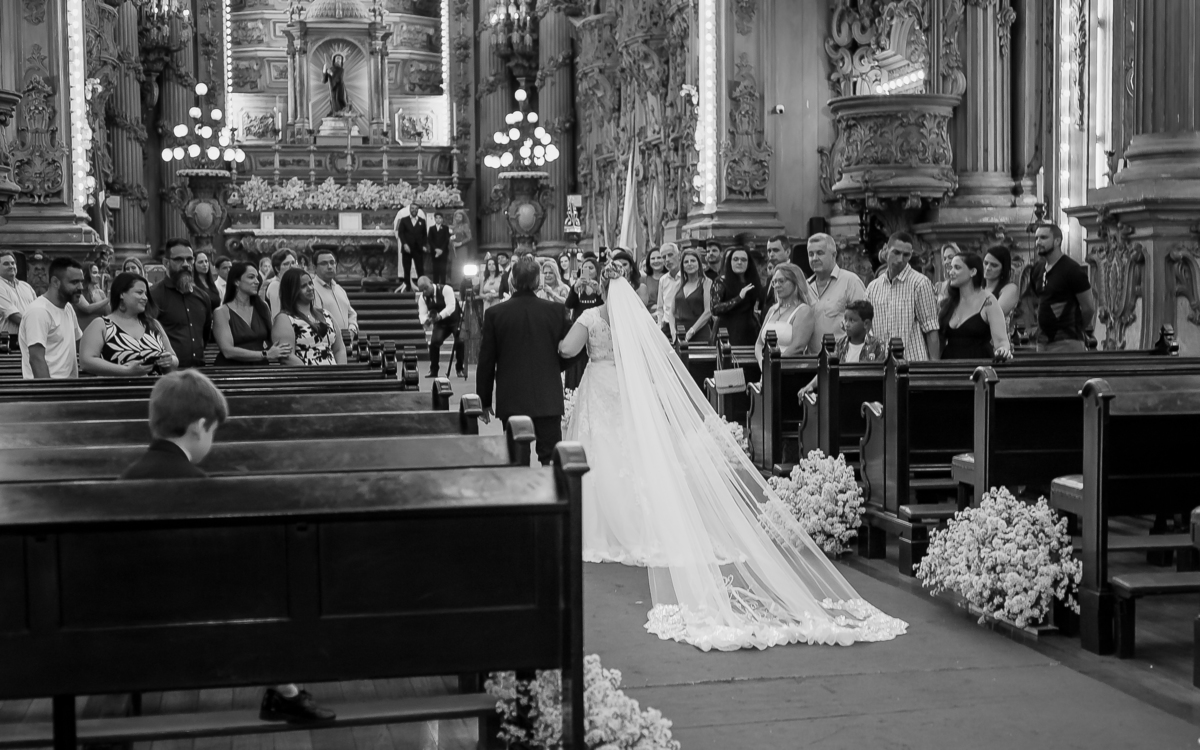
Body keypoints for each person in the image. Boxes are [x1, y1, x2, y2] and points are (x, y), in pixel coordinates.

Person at [557, 261, 906, 650]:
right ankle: (644, 524)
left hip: (600, 387)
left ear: (598, 289)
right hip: (627, 391)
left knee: (601, 456)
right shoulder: (637, 319)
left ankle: (601, 526)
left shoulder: (590, 315)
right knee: (633, 457)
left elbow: (567, 349)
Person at [119, 369, 337, 724]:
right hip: (188, 619)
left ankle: (287, 692)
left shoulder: (124, 480)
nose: (212, 441)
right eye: (214, 432)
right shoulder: (199, 487)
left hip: (126, 614)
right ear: (199, 427)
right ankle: (288, 693)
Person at [476, 256, 573, 465]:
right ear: (538, 281)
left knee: (517, 459)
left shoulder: (495, 313)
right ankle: (551, 496)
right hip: (548, 396)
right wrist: (554, 366)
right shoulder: (556, 311)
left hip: (512, 397)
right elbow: (573, 350)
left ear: (512, 281)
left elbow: (486, 361)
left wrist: (483, 401)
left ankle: (521, 496)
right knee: (550, 458)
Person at [80, 272, 178, 376]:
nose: (145, 298)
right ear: (122, 294)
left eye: (145, 293)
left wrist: (170, 360)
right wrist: (125, 370)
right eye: (139, 293)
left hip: (155, 389)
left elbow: (174, 358)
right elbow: (86, 361)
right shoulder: (101, 325)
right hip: (118, 390)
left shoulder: (153, 324)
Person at [866, 231, 940, 361]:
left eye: (906, 255)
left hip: (913, 362)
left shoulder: (920, 283)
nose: (900, 259)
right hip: (881, 363)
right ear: (886, 250)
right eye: (896, 253)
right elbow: (868, 329)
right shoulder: (873, 287)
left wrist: (933, 369)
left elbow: (931, 329)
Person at [797, 300, 888, 398]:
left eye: (852, 320)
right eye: (845, 319)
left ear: (866, 324)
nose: (847, 324)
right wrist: (810, 386)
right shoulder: (840, 344)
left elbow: (881, 377)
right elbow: (826, 370)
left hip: (866, 395)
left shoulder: (878, 346)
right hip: (840, 394)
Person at [1030, 224, 1095, 351]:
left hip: (1067, 341)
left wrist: (1076, 328)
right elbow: (1039, 302)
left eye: (1043, 238)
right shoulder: (1037, 269)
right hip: (1042, 342)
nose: (1038, 242)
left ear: (1057, 241)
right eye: (1036, 238)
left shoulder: (1072, 270)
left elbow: (1088, 308)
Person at [938, 252, 1013, 361]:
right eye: (951, 267)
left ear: (973, 271)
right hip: (950, 365)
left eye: (957, 268)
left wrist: (1003, 350)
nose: (951, 272)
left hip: (978, 363)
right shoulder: (948, 303)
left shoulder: (988, 301)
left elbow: (1001, 341)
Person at [150, 239, 212, 369]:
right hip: (167, 373)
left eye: (189, 259)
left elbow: (204, 336)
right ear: (166, 263)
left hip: (199, 370)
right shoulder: (153, 295)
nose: (185, 264)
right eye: (179, 260)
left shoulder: (202, 297)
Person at [213, 261, 289, 366]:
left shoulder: (262, 307)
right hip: (231, 370)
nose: (257, 281)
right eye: (251, 277)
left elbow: (273, 339)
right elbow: (227, 351)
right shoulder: (221, 312)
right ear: (236, 282)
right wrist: (264, 354)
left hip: (260, 368)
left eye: (257, 277)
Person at [18, 257, 84, 379]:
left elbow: (79, 343)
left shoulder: (68, 307)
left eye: (81, 282)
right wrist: (49, 393)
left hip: (68, 389)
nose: (81, 287)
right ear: (55, 282)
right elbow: (36, 359)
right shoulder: (38, 312)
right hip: (50, 391)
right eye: (74, 282)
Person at [806, 233, 867, 354]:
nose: (814, 258)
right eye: (811, 254)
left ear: (834, 255)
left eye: (820, 253)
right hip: (812, 363)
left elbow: (864, 325)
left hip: (843, 362)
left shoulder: (850, 282)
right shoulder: (805, 287)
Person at [272, 268, 347, 366]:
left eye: (310, 283)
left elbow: (339, 349)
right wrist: (312, 375)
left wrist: (341, 373)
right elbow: (287, 356)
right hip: (305, 376)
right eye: (303, 286)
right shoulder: (284, 319)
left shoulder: (326, 314)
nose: (310, 288)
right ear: (291, 291)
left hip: (332, 374)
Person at [754, 263, 815, 367]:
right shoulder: (772, 310)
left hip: (789, 369)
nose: (777, 285)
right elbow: (759, 343)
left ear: (795, 282)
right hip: (766, 367)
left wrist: (774, 364)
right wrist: (761, 361)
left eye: (781, 281)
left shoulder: (803, 310)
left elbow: (798, 346)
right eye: (774, 282)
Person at [710, 246, 762, 346]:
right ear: (729, 262)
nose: (739, 262)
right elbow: (715, 309)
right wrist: (739, 298)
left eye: (743, 260)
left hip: (749, 329)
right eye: (735, 259)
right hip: (727, 330)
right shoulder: (720, 281)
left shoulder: (752, 280)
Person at [563, 256, 602, 389]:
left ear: (597, 271)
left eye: (590, 268)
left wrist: (598, 291)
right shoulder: (578, 287)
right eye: (584, 268)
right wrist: (574, 289)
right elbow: (568, 305)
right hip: (580, 329)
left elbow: (606, 305)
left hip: (597, 330)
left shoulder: (601, 286)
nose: (587, 270)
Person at [416, 275, 465, 378]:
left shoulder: (446, 289)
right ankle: (434, 369)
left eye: (426, 288)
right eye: (422, 290)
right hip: (441, 324)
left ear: (431, 282)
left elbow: (451, 307)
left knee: (460, 341)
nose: (425, 291)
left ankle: (460, 368)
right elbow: (422, 314)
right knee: (434, 343)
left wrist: (439, 316)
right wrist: (426, 320)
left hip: (455, 320)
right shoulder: (422, 298)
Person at [311, 248, 358, 339]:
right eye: (324, 263)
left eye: (332, 262)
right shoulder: (312, 289)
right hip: (327, 343)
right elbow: (316, 320)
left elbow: (351, 314)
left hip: (345, 342)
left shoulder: (339, 289)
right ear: (314, 268)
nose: (329, 266)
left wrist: (352, 329)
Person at [671, 248, 713, 343]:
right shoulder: (679, 284)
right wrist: (673, 331)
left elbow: (708, 311)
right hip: (680, 333)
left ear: (699, 264)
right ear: (682, 266)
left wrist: (691, 331)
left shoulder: (706, 282)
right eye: (686, 262)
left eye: (693, 261)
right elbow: (671, 312)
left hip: (700, 333)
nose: (689, 264)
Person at [0, 249, 37, 337]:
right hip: (8, 342)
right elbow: (13, 316)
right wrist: (38, 326)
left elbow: (38, 310)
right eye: (6, 264)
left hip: (30, 338)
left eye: (13, 263)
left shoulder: (26, 286)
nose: (11, 266)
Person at [395, 204, 428, 293]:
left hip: (418, 249)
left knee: (420, 269)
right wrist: (404, 244)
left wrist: (424, 245)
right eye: (412, 208)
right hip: (407, 249)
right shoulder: (404, 220)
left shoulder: (422, 221)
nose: (414, 210)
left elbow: (425, 235)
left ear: (418, 210)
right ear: (409, 209)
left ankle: (422, 287)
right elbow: (401, 233)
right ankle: (407, 287)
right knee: (407, 268)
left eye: (416, 209)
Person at [982, 245, 1020, 319]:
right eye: (986, 263)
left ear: (1003, 269)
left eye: (994, 265)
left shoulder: (1010, 288)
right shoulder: (976, 286)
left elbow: (993, 315)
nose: (987, 268)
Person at [73, 262, 111, 334]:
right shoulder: (78, 291)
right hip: (82, 332)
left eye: (98, 273)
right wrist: (108, 299)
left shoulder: (100, 293)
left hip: (98, 332)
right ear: (86, 274)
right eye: (94, 273)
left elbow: (108, 314)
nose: (98, 276)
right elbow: (87, 308)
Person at [655, 243, 682, 335]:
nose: (667, 260)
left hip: (684, 324)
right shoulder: (663, 280)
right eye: (663, 257)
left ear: (679, 256)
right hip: (666, 326)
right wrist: (659, 326)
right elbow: (660, 307)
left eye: (670, 255)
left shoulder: (687, 277)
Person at [263, 248, 299, 316]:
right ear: (277, 269)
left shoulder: (290, 283)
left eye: (293, 263)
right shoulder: (275, 285)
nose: (292, 267)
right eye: (286, 264)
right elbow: (277, 316)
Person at [427, 211, 452, 285]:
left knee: (443, 269)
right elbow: (430, 240)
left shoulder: (445, 228)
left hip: (443, 251)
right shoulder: (431, 228)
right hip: (434, 252)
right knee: (435, 269)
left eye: (440, 218)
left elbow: (446, 240)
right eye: (436, 218)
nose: (438, 219)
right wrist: (436, 249)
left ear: (442, 219)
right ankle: (435, 285)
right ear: (434, 219)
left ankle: (443, 285)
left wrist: (441, 250)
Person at [322, 53, 348, 117]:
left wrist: (330, 73)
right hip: (332, 89)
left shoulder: (341, 70)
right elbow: (324, 80)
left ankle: (340, 112)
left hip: (340, 88)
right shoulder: (331, 69)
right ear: (334, 60)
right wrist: (324, 71)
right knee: (333, 100)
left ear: (341, 61)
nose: (338, 60)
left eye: (340, 59)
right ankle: (334, 111)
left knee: (340, 100)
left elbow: (339, 78)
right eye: (337, 58)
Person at [934, 243, 960, 308]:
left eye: (950, 257)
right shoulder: (939, 286)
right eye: (945, 258)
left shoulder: (964, 284)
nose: (947, 261)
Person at [642, 247, 666, 315]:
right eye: (653, 258)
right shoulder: (643, 279)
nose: (656, 261)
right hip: (648, 318)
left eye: (659, 257)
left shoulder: (670, 278)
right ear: (648, 261)